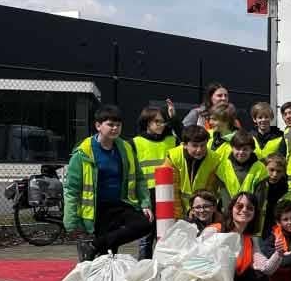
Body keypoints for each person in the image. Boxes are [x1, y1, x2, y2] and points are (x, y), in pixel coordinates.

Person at [64, 104, 152, 261]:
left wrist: (145, 204)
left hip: (120, 204)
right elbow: (71, 189)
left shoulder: (125, 148)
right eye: (110, 124)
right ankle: (96, 273)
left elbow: (139, 178)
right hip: (97, 210)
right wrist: (71, 221)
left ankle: (94, 245)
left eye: (118, 125)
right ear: (98, 126)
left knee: (145, 224)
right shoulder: (82, 153)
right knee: (106, 256)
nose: (115, 128)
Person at [132, 104, 178, 259]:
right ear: (147, 122)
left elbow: (188, 135)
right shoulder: (136, 142)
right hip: (147, 195)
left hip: (168, 194)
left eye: (163, 121)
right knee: (146, 238)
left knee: (167, 237)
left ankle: (162, 270)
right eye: (157, 121)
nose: (161, 125)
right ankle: (144, 270)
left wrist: (174, 119)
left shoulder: (171, 140)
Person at [205, 192, 268, 281]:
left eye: (250, 208)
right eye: (239, 206)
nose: (244, 210)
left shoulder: (251, 239)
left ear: (254, 213)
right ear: (231, 209)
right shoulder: (214, 230)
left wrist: (279, 254)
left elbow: (263, 265)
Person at [163, 125, 220, 220]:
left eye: (203, 145)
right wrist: (179, 217)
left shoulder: (214, 159)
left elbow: (211, 191)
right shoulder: (173, 157)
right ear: (184, 144)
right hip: (178, 211)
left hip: (202, 212)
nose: (199, 150)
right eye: (195, 146)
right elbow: (172, 191)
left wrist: (200, 212)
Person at [215, 130, 268, 232]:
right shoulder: (223, 166)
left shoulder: (260, 168)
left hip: (250, 217)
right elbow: (223, 194)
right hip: (230, 217)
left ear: (252, 150)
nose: (241, 152)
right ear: (232, 148)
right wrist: (231, 214)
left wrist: (249, 214)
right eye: (238, 149)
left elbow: (259, 199)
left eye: (245, 149)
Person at [262, 153, 291, 239]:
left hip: (272, 224)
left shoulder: (285, 188)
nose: (275, 174)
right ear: (264, 168)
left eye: (279, 171)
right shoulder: (258, 184)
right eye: (271, 170)